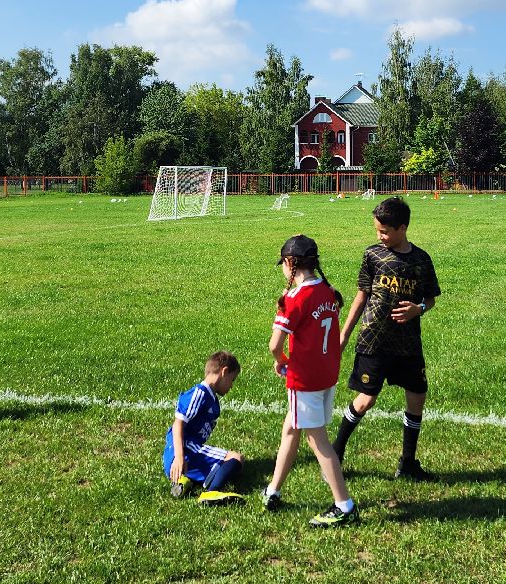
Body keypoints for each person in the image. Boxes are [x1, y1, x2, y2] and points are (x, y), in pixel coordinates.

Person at [333, 197, 441, 481]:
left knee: (417, 396)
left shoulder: (421, 260)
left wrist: (419, 309)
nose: (379, 236)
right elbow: (360, 296)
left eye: (385, 231)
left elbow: (430, 299)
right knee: (366, 399)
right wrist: (344, 334)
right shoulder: (373, 255)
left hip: (407, 343)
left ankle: (407, 463)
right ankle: (335, 454)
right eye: (377, 230)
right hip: (374, 339)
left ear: (402, 228)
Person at [262, 235, 359, 528]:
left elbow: (274, 345)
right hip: (326, 373)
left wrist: (281, 362)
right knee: (291, 428)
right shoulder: (329, 291)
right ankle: (273, 490)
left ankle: (344, 505)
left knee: (318, 441)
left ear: (290, 264)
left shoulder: (294, 299)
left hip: (305, 379)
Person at [164, 351, 244, 506]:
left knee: (231, 469)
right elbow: (178, 424)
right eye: (232, 380)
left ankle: (185, 481)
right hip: (183, 452)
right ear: (224, 371)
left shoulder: (211, 398)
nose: (231, 386)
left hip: (184, 458)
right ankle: (212, 492)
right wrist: (179, 457)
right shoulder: (200, 393)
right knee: (236, 459)